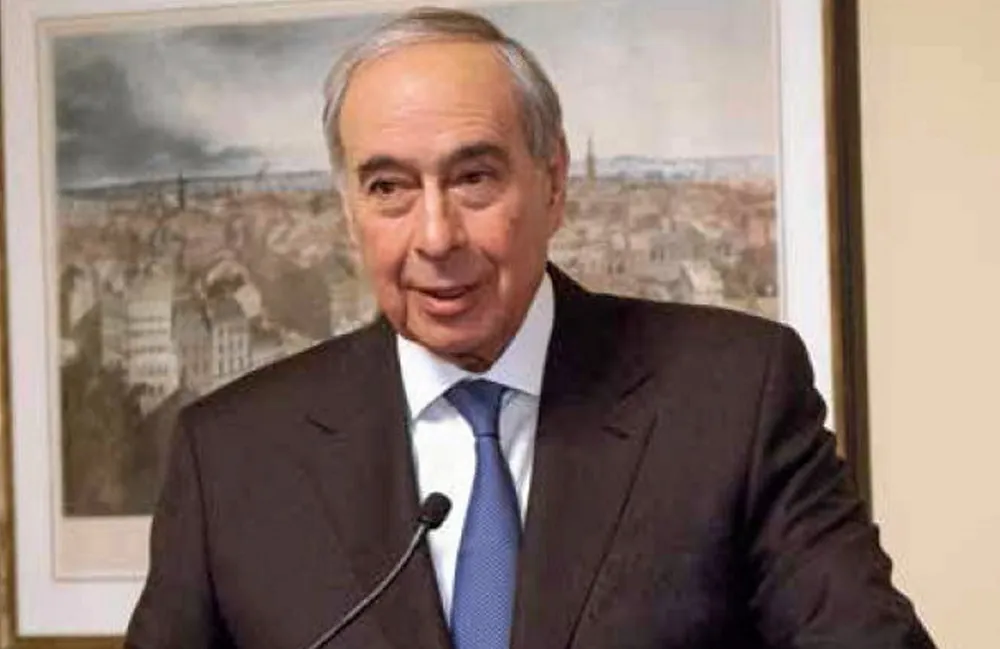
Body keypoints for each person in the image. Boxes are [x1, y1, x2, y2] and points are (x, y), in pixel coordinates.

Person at [126, 7, 934, 649]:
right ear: (349, 212)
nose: (435, 236)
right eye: (389, 188)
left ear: (553, 183)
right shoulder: (230, 457)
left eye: (474, 177)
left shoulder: (731, 395)